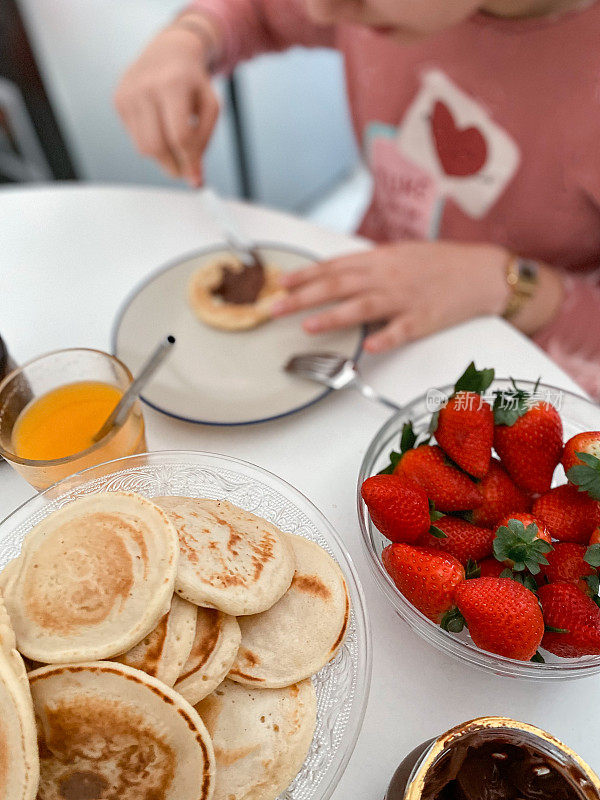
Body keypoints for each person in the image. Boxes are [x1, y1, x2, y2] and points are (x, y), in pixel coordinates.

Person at [115, 0, 600, 398]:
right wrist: (190, 38)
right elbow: (257, 13)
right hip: (359, 318)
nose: (319, 11)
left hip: (527, 377)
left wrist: (510, 285)